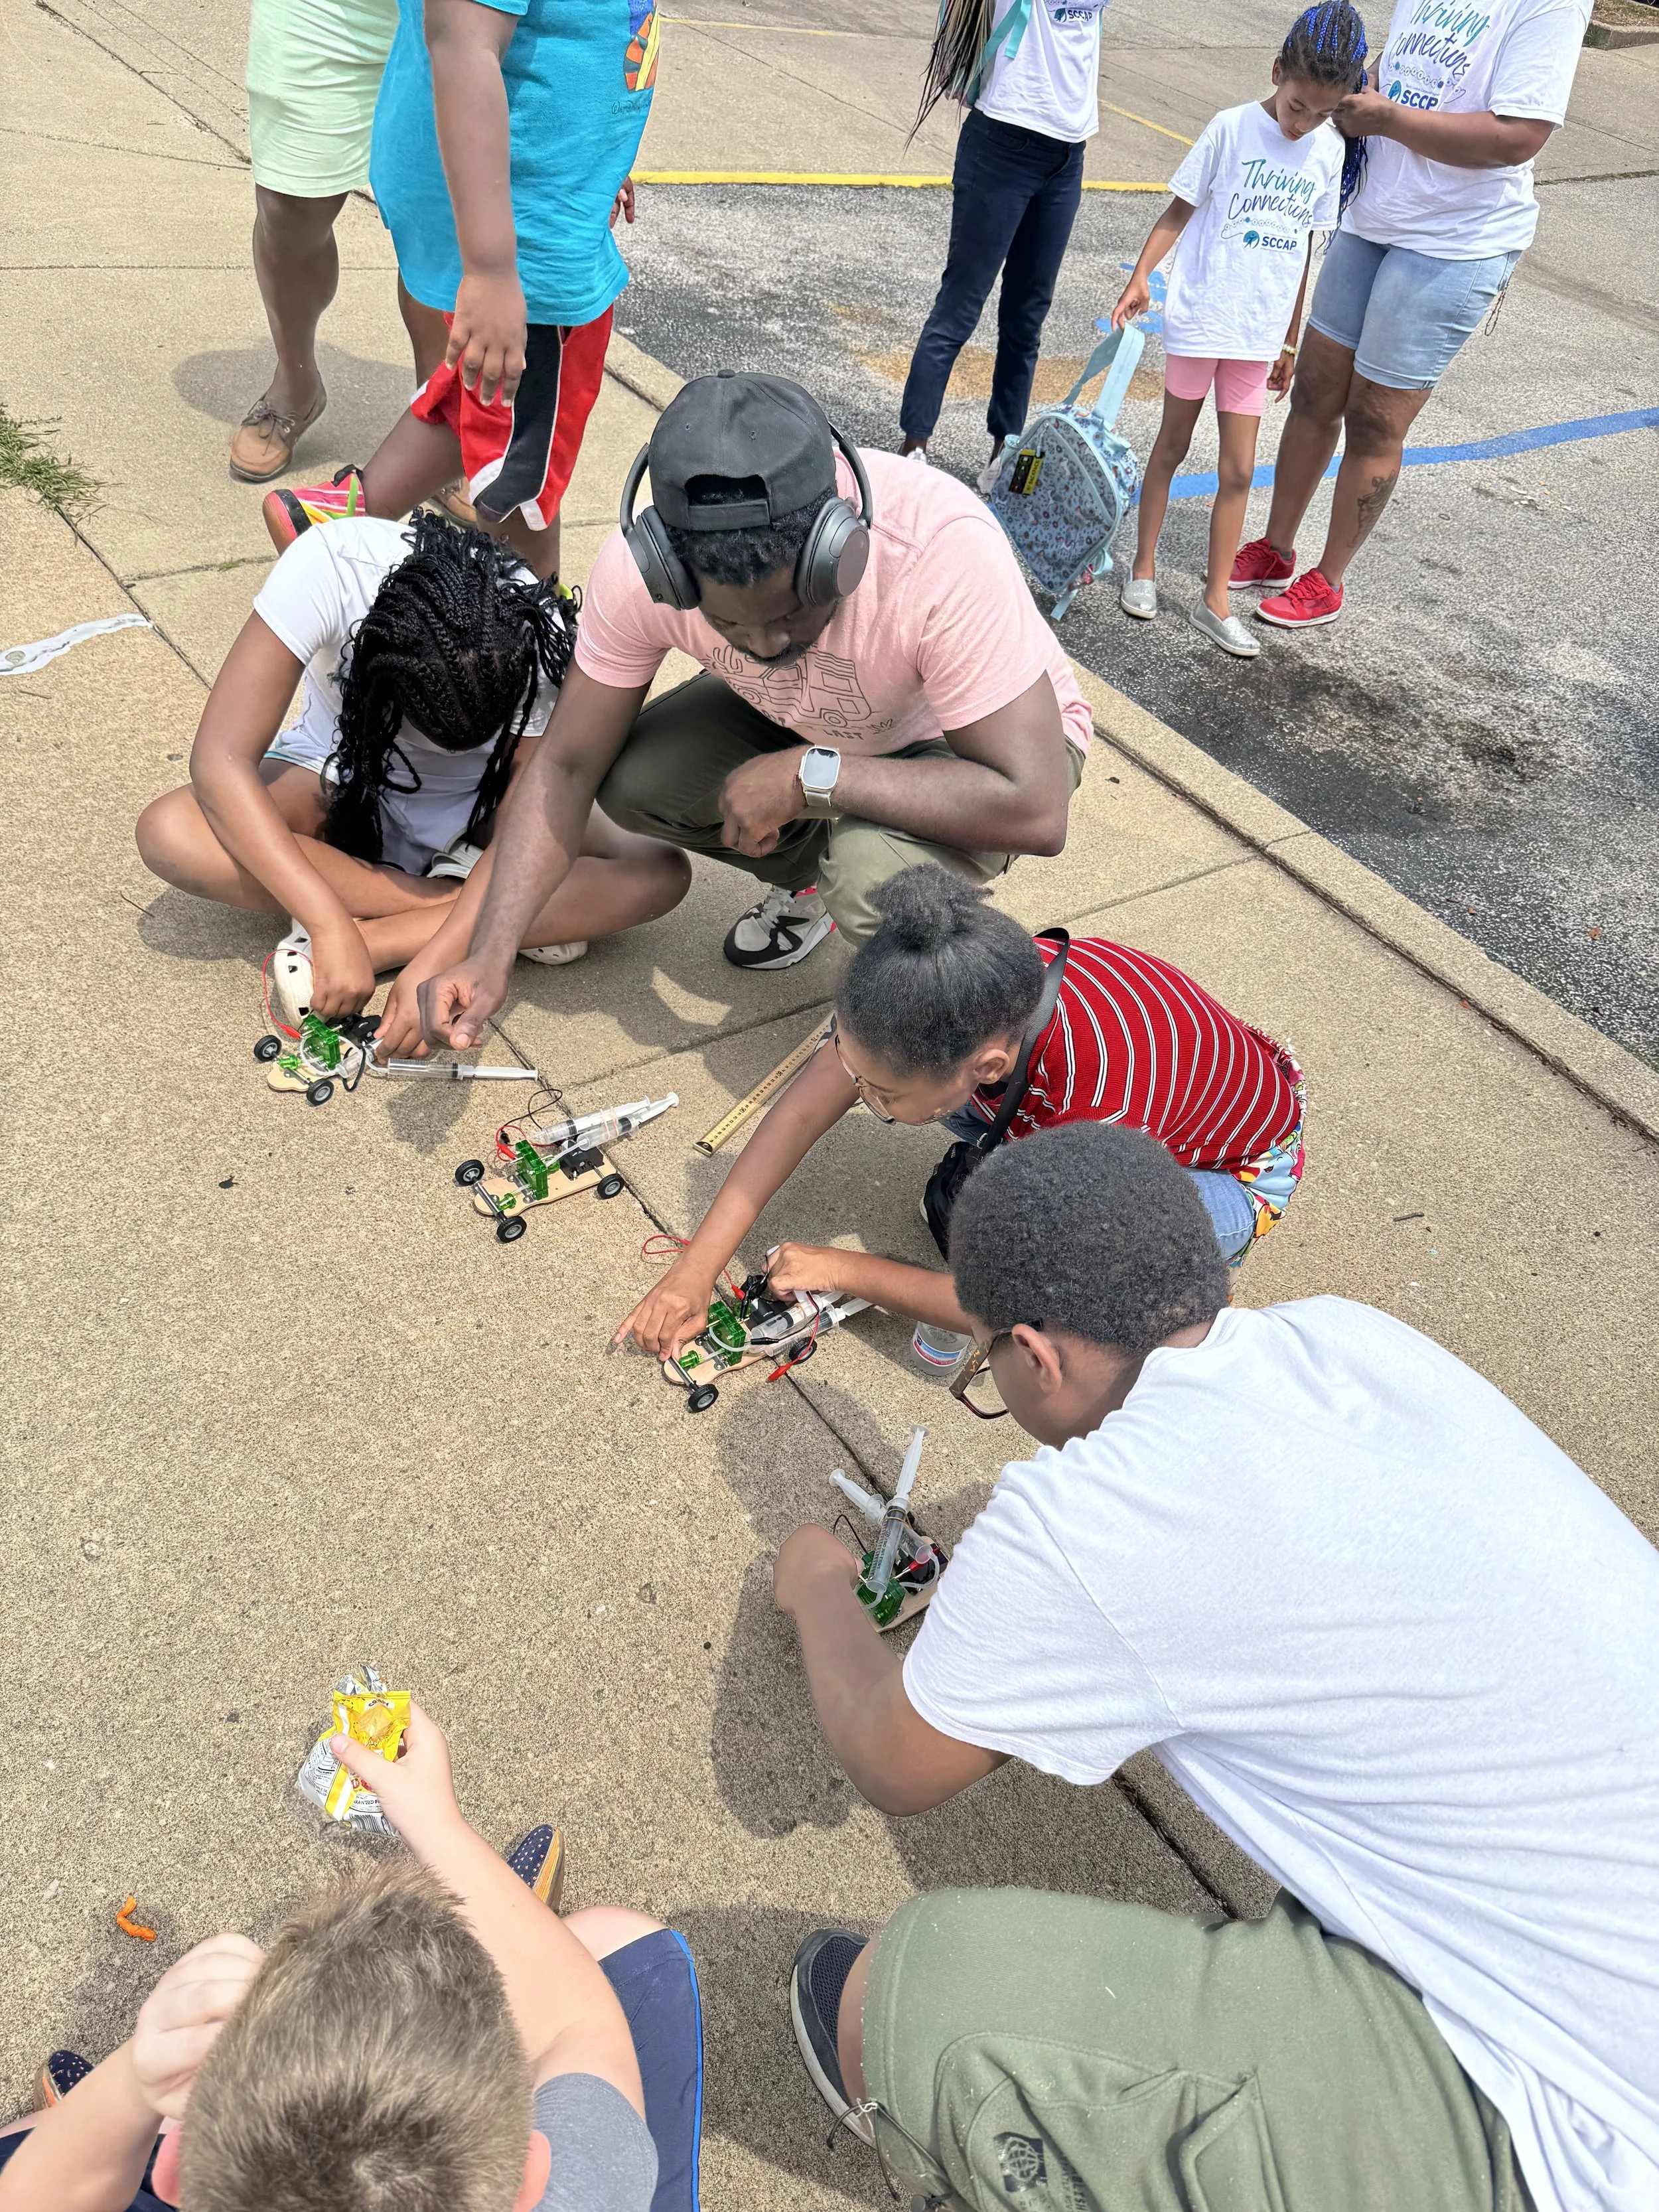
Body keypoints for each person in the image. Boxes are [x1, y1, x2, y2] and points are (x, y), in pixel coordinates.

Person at [772, 1121, 1659, 2212]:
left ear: (1034, 1353)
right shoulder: (1351, 1337)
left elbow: (892, 1756)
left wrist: (814, 1580)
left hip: (1602, 2130)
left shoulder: (1086, 1521)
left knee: (909, 1998)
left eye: (988, 1363)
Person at [399, 371, 1092, 1057]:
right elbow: (568, 764)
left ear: (840, 552)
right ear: (671, 572)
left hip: (975, 751)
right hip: (820, 724)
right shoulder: (641, 576)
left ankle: (974, 1034)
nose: (765, 648)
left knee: (871, 877)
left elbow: (1034, 807)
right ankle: (817, 870)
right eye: (730, 625)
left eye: (791, 614)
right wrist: (492, 949)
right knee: (636, 780)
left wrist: (809, 776)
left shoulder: (937, 548)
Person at [0, 1706, 701, 2212]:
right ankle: (499, 1937)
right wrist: (437, 1824)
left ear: (176, 2169)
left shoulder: (179, 2155)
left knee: (32, 2151)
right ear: (531, 2178)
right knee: (621, 1942)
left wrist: (133, 2084)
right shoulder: (579, 2195)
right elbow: (580, 2026)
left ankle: (89, 2132)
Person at [614, 865, 1302, 1363]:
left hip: (1229, 1173)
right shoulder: (962, 987)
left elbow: (1003, 1307)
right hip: (1129, 1108)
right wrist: (693, 1269)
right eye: (860, 1080)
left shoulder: (1099, 1110)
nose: (862, 1096)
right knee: (942, 1126)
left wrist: (842, 1268)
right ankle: (997, 1156)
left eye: (878, 1094)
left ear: (990, 1070)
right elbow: (802, 1108)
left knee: (1070, 1309)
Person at [135, 512, 687, 1033]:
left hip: (484, 803)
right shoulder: (330, 565)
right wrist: (325, 920)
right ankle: (488, 911)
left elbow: (528, 814)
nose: (436, 752)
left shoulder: (529, 627)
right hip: (342, 774)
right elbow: (219, 760)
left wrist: (431, 954)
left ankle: (386, 940)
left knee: (658, 871)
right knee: (171, 832)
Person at [261, 0, 656, 581]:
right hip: (525, 236)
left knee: (485, 389)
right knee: (523, 482)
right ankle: (532, 628)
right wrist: (492, 270)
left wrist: (596, 155)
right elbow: (463, 45)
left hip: (540, 200)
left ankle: (345, 517)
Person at [1238, 0, 1593, 629]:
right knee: (1315, 392)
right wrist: (1360, 89)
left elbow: (1518, 136)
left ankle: (1329, 578)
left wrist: (1389, 119)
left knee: (1374, 419)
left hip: (1457, 240)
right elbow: (1408, 66)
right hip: (1375, 215)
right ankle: (1276, 548)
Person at [1111, 4, 1366, 658]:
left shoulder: (1329, 150)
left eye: (1321, 113)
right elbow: (1178, 211)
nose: (1303, 122)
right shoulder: (1229, 129)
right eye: (1295, 106)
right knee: (1170, 445)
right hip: (1202, 320)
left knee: (1239, 470)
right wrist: (1142, 276)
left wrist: (1288, 340)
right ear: (1276, 72)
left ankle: (1215, 599)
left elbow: (1303, 256)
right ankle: (1142, 569)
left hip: (1257, 336)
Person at [231, 0, 457, 487]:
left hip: (471, 12)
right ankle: (296, 382)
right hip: (327, 11)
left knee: (441, 218)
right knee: (287, 205)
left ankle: (445, 421)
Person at [899, 0, 1109, 492]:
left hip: (1068, 153)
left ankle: (1007, 449)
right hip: (1003, 141)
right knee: (960, 306)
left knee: (1027, 317)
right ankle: (914, 445)